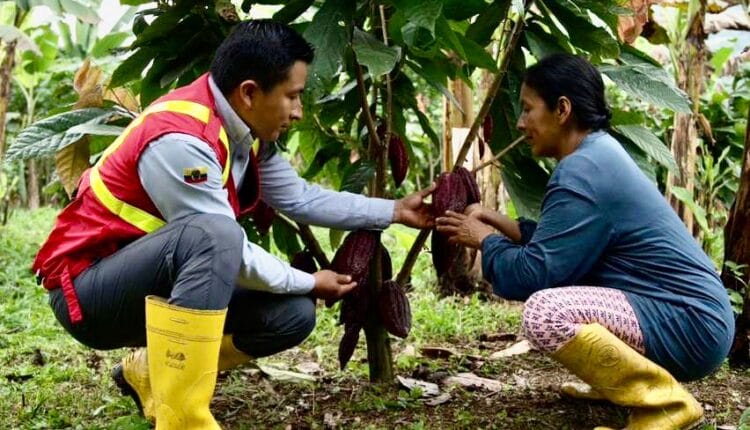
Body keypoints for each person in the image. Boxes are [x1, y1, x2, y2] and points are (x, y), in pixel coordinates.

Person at [33, 20, 434, 429]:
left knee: (293, 314)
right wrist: (311, 281)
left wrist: (394, 211)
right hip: (90, 296)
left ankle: (152, 371)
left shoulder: (245, 131)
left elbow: (299, 197)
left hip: (151, 284)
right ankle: (183, 421)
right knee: (215, 233)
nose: (297, 112)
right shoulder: (180, 139)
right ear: (248, 93)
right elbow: (227, 249)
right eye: (292, 96)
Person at [436, 53, 734, 430]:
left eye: (528, 110)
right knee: (562, 299)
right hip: (693, 317)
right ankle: (620, 386)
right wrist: (502, 222)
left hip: (689, 323)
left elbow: (536, 275)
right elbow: (563, 247)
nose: (520, 122)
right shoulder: (598, 155)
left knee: (546, 313)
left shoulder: (582, 170)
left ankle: (666, 406)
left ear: (562, 109)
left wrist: (485, 241)